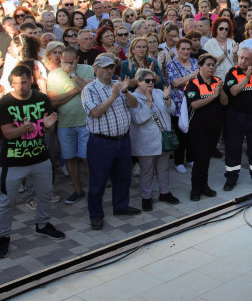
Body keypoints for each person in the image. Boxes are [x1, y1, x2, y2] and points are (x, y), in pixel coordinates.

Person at [0, 65, 63, 259]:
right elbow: (7, 134)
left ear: (30, 80)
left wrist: (48, 127)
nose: (20, 87)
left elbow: (46, 127)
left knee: (45, 194)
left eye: (24, 82)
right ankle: (3, 236)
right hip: (13, 162)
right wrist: (25, 129)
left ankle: (42, 225)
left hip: (40, 158)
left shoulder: (41, 99)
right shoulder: (5, 103)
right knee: (7, 200)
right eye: (15, 83)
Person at [82, 53, 141, 230]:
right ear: (96, 69)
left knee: (123, 176)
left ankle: (121, 206)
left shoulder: (119, 85)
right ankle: (96, 214)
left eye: (112, 67)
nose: (109, 70)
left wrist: (125, 91)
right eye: (106, 67)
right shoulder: (89, 90)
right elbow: (96, 112)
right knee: (98, 180)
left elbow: (134, 104)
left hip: (122, 140)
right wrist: (114, 96)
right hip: (101, 142)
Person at [47, 47, 94, 205]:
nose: (68, 65)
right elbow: (53, 101)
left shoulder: (87, 69)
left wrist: (73, 75)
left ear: (77, 59)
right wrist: (76, 89)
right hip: (65, 124)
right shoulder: (54, 75)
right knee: (70, 158)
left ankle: (94, 190)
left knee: (87, 157)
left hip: (85, 123)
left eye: (71, 62)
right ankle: (78, 190)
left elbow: (89, 90)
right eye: (65, 62)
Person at [128, 69, 180, 211]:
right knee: (147, 171)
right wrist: (149, 104)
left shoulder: (158, 93)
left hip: (163, 139)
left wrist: (167, 99)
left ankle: (165, 192)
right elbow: (138, 119)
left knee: (163, 168)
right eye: (147, 80)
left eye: (153, 80)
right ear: (138, 82)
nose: (151, 83)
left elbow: (172, 110)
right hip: (146, 142)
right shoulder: (134, 98)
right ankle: (146, 197)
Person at [184, 53, 228, 201]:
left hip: (214, 127)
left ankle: (205, 186)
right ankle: (195, 189)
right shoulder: (193, 83)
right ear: (200, 67)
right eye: (208, 65)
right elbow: (195, 104)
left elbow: (225, 102)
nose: (211, 67)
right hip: (198, 129)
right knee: (200, 159)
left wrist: (220, 90)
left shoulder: (217, 81)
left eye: (213, 65)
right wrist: (212, 96)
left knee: (207, 158)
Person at [222, 48, 252, 189]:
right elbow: (233, 91)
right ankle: (231, 179)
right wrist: (247, 78)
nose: (243, 61)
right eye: (241, 57)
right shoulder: (232, 73)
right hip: (236, 117)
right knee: (233, 148)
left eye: (247, 58)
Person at [165, 38, 198, 174]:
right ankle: (178, 161)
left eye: (188, 49)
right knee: (180, 134)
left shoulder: (195, 62)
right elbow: (175, 83)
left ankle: (190, 158)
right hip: (178, 105)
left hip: (194, 104)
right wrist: (191, 76)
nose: (185, 51)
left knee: (193, 133)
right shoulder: (171, 65)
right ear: (177, 50)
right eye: (182, 49)